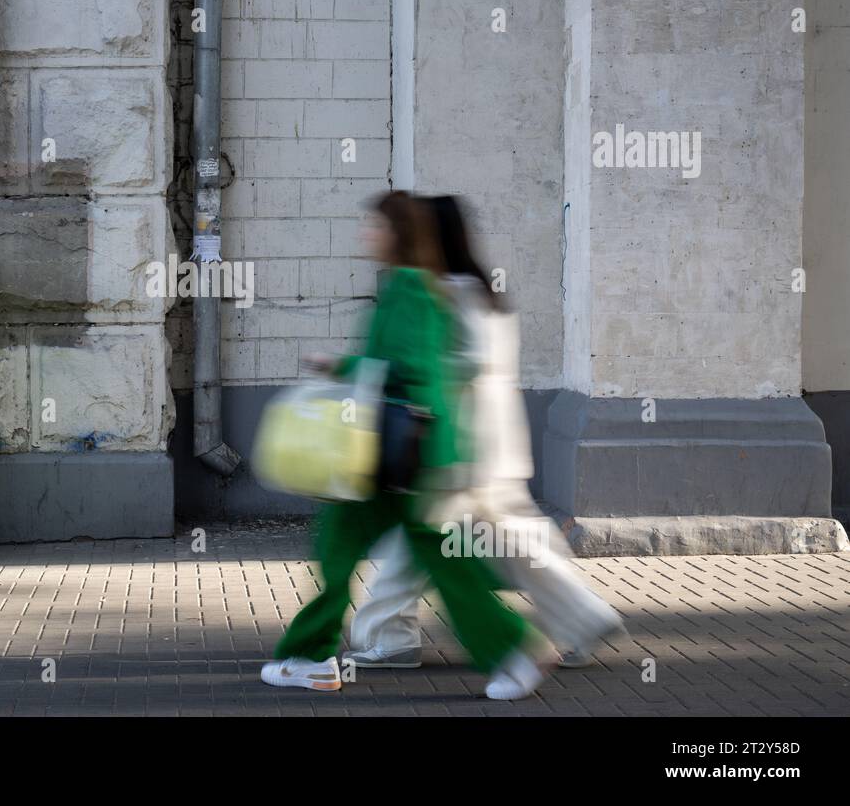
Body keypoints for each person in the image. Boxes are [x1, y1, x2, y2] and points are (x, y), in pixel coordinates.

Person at [260, 192, 547, 700]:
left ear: (399, 235)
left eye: (375, 227)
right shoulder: (415, 285)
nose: (366, 235)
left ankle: (311, 657)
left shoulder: (409, 288)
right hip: (404, 454)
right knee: (429, 559)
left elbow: (414, 371)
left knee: (356, 553)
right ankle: (510, 652)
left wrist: (343, 367)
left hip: (397, 456)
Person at [345, 194, 624, 671]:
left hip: (457, 442)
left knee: (421, 539)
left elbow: (465, 363)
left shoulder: (448, 292)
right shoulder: (485, 291)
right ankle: (582, 617)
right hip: (492, 441)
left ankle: (393, 636)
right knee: (509, 541)